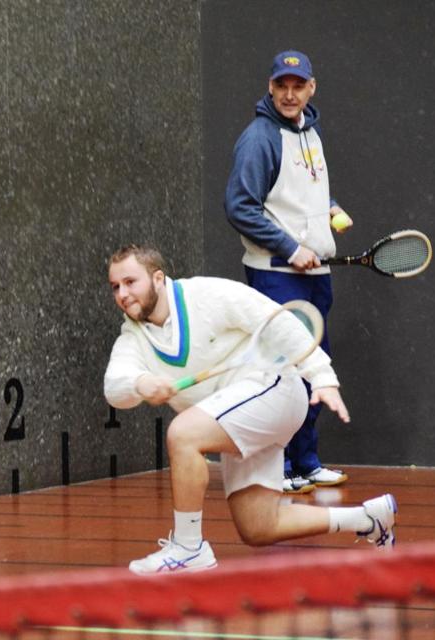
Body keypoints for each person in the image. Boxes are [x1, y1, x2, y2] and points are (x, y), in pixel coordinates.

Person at [103, 244, 397, 574]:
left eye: (130, 282)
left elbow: (276, 322)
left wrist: (322, 376)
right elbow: (115, 386)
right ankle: (367, 519)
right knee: (259, 526)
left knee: (183, 434)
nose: (123, 294)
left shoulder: (207, 294)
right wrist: (141, 383)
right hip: (235, 418)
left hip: (274, 390)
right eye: (115, 287)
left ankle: (188, 548)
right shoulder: (133, 336)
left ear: (157, 278)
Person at [224, 50, 351, 494]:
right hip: (277, 275)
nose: (290, 94)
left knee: (314, 367)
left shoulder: (309, 133)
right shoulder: (259, 138)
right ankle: (276, 469)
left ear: (311, 88)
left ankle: (305, 463)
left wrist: (328, 210)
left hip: (315, 277)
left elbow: (294, 195)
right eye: (282, 86)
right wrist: (290, 246)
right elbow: (241, 207)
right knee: (283, 375)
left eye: (299, 86)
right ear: (271, 86)